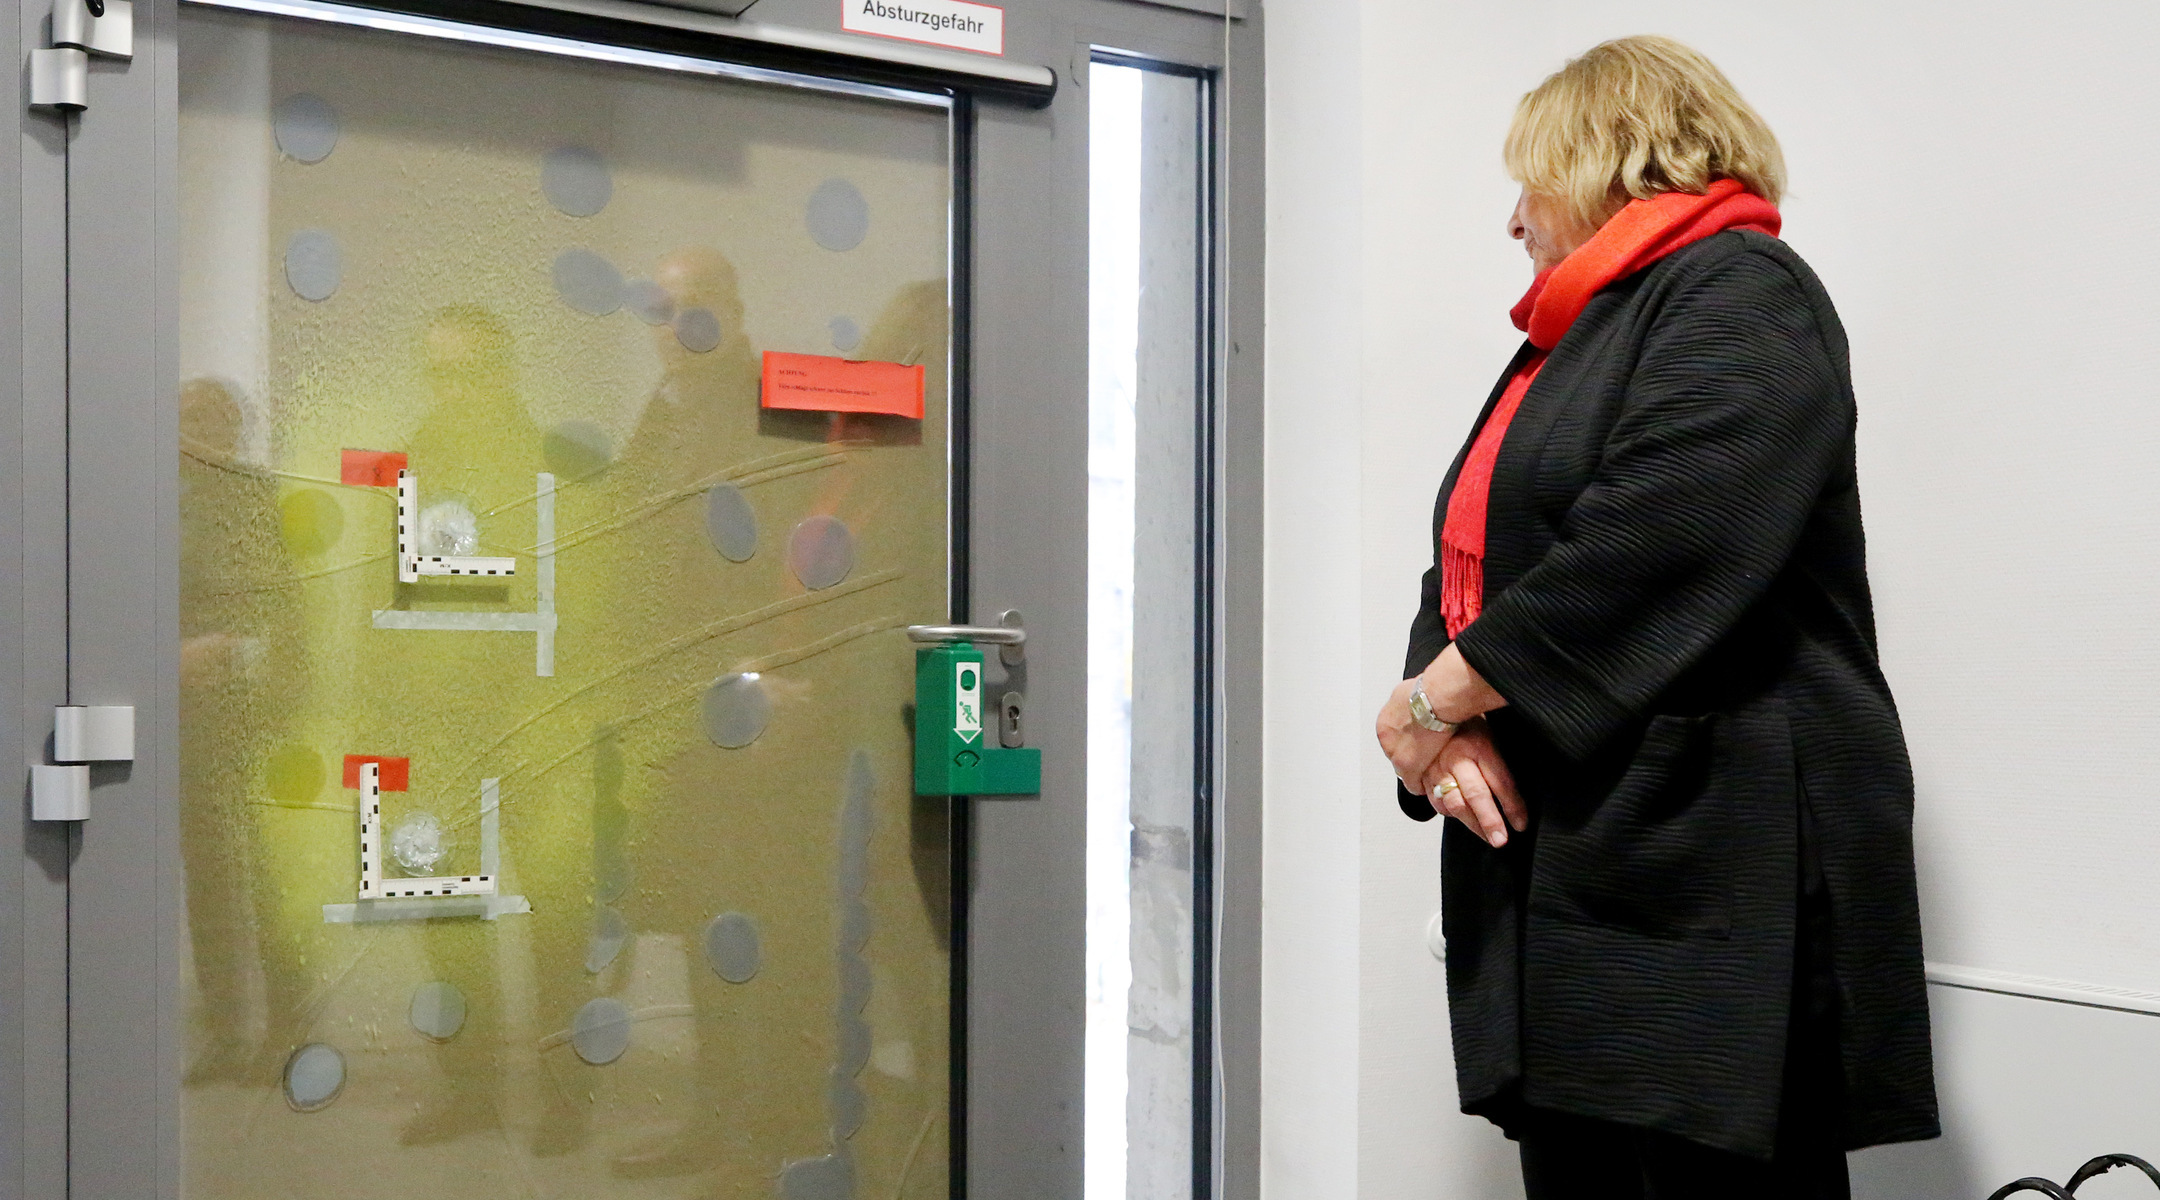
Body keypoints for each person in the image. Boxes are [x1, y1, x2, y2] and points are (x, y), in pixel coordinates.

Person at [1372, 36, 1937, 1199]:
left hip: (1710, 879)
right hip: (1588, 867)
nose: (1515, 220)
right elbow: (1475, 558)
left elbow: (1655, 543)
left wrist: (1435, 698)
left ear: (1602, 164)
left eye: (1528, 183)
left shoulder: (1744, 294)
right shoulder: (1575, 337)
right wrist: (1452, 717)